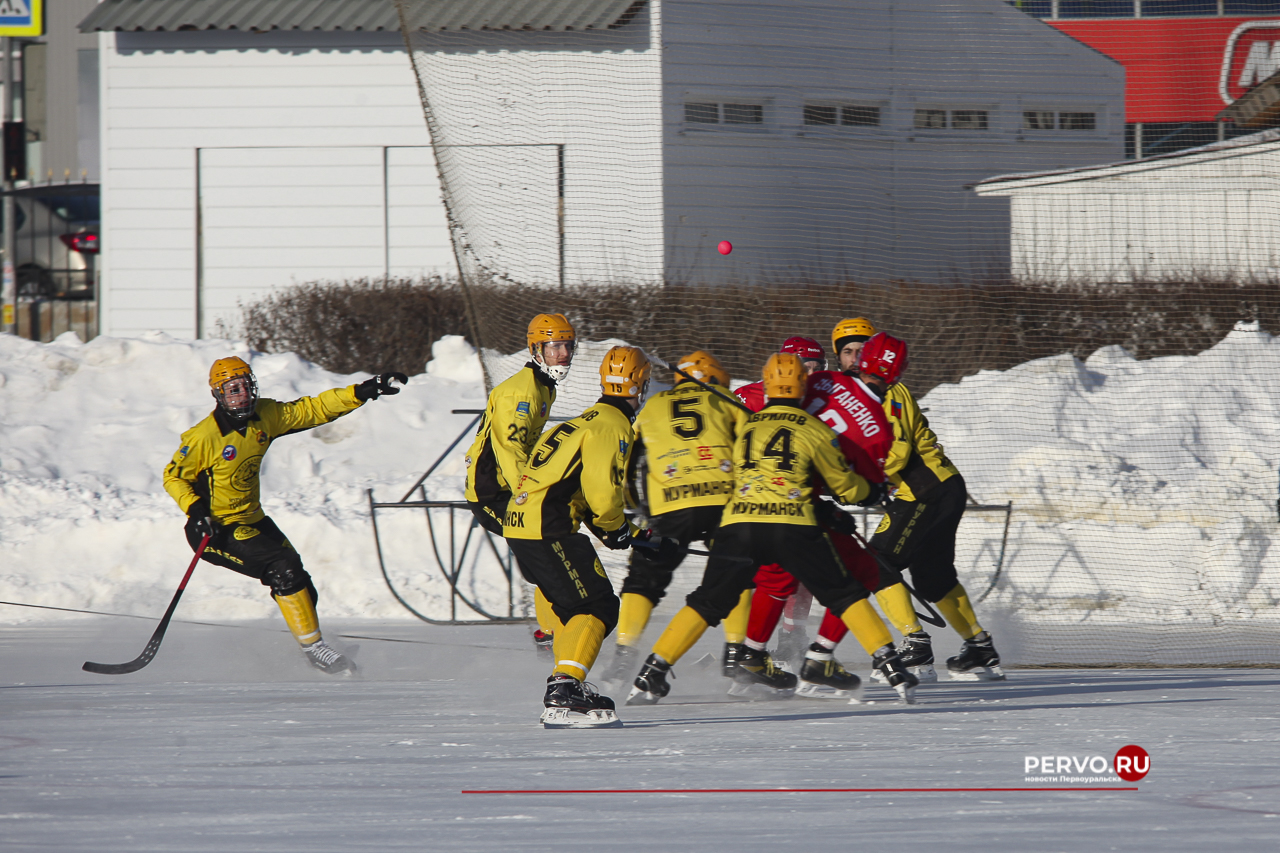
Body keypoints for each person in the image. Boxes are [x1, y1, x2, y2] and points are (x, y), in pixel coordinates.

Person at [628, 353, 920, 706]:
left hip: (740, 524)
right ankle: (889, 665)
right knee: (844, 593)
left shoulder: (746, 425)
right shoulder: (815, 429)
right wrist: (870, 493)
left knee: (707, 601)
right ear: (802, 387)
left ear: (765, 385)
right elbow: (846, 487)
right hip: (792, 525)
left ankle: (651, 673)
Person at [163, 357, 406, 674]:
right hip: (214, 530)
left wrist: (363, 390)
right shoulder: (204, 437)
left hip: (252, 519)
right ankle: (314, 649)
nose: (241, 395)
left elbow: (313, 409)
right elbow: (173, 477)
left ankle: (312, 639)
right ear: (218, 395)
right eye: (231, 389)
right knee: (283, 569)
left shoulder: (266, 415)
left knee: (299, 579)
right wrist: (195, 511)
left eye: (245, 387)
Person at [502, 345, 651, 727]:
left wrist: (629, 534)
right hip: (547, 526)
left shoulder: (583, 420)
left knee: (574, 609)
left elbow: (576, 490)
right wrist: (618, 528)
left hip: (523, 522)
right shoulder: (615, 425)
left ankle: (566, 682)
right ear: (640, 384)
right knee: (598, 606)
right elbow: (603, 494)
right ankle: (564, 690)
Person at [858, 332, 1006, 682]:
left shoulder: (886, 393)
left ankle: (915, 644)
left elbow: (895, 451)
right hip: (944, 486)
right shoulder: (877, 392)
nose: (851, 359)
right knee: (932, 577)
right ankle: (980, 648)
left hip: (925, 490)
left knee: (875, 562)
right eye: (846, 351)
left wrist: (857, 479)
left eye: (856, 352)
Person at [598, 350, 747, 687]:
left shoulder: (651, 406)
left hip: (670, 505)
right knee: (738, 573)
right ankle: (739, 653)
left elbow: (626, 461)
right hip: (725, 499)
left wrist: (635, 505)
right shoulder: (725, 399)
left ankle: (623, 656)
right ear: (714, 379)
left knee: (643, 581)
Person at [464, 313, 575, 656]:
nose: (563, 354)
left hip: (508, 490)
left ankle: (551, 632)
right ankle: (553, 634)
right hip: (493, 494)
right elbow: (510, 451)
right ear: (536, 348)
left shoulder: (543, 385)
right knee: (546, 550)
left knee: (549, 551)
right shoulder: (523, 391)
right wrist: (527, 497)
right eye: (555, 346)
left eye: (568, 346)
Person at [732, 336, 828, 669]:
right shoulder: (746, 396)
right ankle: (741, 645)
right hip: (752, 499)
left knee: (800, 571)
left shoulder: (818, 399)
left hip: (795, 498)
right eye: (806, 366)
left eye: (818, 366)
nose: (812, 373)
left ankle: (791, 636)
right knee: (752, 573)